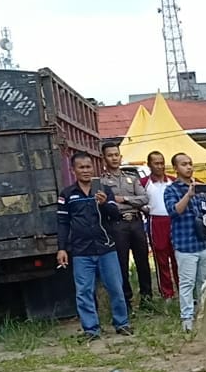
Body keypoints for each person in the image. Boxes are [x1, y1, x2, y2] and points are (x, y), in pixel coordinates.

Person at [56, 151, 131, 341]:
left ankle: (122, 324)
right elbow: (63, 223)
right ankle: (91, 330)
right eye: (81, 167)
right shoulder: (67, 194)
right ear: (73, 170)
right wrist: (62, 248)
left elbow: (116, 215)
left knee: (116, 288)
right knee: (84, 292)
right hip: (81, 251)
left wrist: (105, 204)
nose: (86, 170)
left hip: (106, 248)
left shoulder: (104, 190)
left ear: (93, 168)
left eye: (88, 167)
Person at [163, 152, 206, 332]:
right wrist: (188, 195)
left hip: (203, 243)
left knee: (205, 283)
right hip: (185, 245)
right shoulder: (171, 190)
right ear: (175, 168)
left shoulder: (199, 187)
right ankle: (187, 320)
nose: (189, 167)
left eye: (190, 163)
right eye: (184, 164)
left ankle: (204, 315)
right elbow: (174, 211)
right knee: (187, 283)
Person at [98, 140, 151, 310]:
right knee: (121, 264)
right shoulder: (101, 182)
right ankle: (126, 301)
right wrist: (131, 201)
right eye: (110, 155)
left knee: (143, 261)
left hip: (135, 223)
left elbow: (144, 198)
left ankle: (147, 299)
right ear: (104, 158)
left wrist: (124, 199)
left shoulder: (132, 178)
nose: (114, 158)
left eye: (116, 155)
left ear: (120, 157)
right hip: (117, 224)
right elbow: (106, 204)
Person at [141, 150, 178, 301]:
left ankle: (183, 290)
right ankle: (167, 294)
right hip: (156, 221)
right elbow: (137, 199)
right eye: (156, 163)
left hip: (174, 220)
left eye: (162, 163)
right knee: (161, 258)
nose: (160, 166)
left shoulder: (173, 181)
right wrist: (143, 209)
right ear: (149, 165)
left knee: (178, 257)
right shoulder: (143, 183)